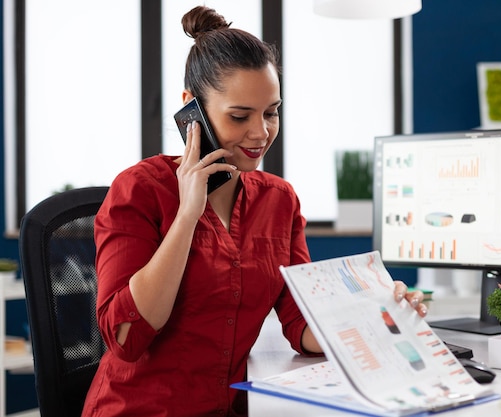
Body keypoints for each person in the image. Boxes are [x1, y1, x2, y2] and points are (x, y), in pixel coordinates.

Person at [81, 5, 428, 417]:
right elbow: (126, 337)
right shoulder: (139, 190)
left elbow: (299, 322)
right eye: (240, 116)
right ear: (191, 109)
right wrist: (188, 214)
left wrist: (377, 315)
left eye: (271, 112)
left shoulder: (279, 201)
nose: (261, 133)